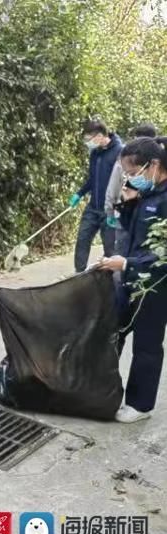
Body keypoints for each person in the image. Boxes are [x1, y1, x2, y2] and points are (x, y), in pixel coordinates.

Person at [99, 136, 167, 424]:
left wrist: (126, 263)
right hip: (129, 278)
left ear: (152, 165)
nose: (129, 177)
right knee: (111, 331)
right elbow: (131, 234)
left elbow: (162, 255)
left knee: (147, 343)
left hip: (155, 285)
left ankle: (140, 405)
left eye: (132, 171)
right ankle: (101, 391)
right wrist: (127, 205)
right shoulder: (147, 194)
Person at [69, 118, 123, 272]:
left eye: (89, 139)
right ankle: (78, 276)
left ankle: (111, 282)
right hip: (93, 207)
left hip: (110, 210)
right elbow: (92, 179)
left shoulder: (120, 152)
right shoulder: (95, 153)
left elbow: (122, 184)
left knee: (110, 249)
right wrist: (79, 194)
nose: (88, 143)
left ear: (99, 136)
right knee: (82, 241)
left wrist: (117, 209)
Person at [104, 123, 158, 255]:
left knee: (124, 255)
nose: (130, 178)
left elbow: (112, 188)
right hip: (131, 218)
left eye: (133, 174)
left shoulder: (126, 159)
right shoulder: (156, 163)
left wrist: (110, 211)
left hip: (136, 224)